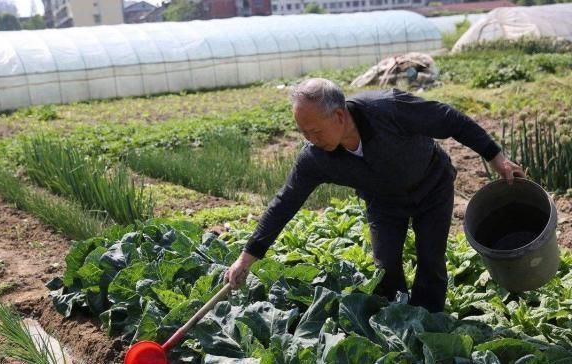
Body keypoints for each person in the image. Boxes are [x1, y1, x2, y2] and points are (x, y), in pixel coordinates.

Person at [224, 78, 525, 313]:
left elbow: (450, 119)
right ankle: (397, 321)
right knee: (385, 265)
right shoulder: (316, 158)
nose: (311, 141)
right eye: (304, 134)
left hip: (432, 184)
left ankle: (431, 320)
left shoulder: (387, 108)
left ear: (339, 116)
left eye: (315, 132)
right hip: (384, 201)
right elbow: (284, 203)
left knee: (430, 258)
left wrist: (495, 157)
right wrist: (246, 258)